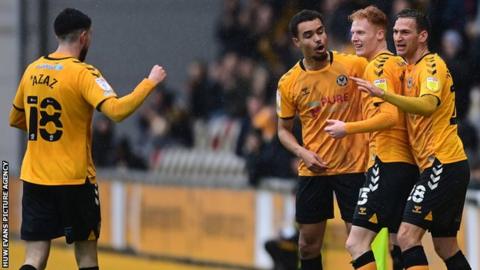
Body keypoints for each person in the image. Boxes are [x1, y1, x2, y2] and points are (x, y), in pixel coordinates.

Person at [9, 8, 166, 270]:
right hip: (74, 180)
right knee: (86, 258)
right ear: (83, 37)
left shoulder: (32, 70)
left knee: (34, 258)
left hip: (35, 177)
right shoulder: (83, 73)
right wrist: (149, 83)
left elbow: (16, 119)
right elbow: (116, 111)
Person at [354, 8, 471, 270]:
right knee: (445, 246)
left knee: (407, 236)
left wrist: (382, 95)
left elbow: (428, 104)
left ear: (423, 36)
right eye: (395, 32)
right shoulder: (408, 69)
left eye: (405, 32)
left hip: (443, 163)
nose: (398, 37)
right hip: (438, 165)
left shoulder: (432, 65)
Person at [324, 6, 418, 270]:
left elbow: (389, 117)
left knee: (356, 243)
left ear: (380, 34)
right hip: (408, 162)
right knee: (402, 240)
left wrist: (347, 128)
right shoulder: (400, 63)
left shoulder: (377, 66)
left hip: (387, 161)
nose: (354, 38)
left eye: (361, 33)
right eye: (352, 32)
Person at [276, 9, 368, 270]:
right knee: (307, 244)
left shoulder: (353, 66)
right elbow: (283, 131)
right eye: (309, 35)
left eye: (320, 31)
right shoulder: (289, 83)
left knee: (358, 242)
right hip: (314, 169)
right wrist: (302, 152)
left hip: (354, 168)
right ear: (297, 42)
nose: (318, 39)